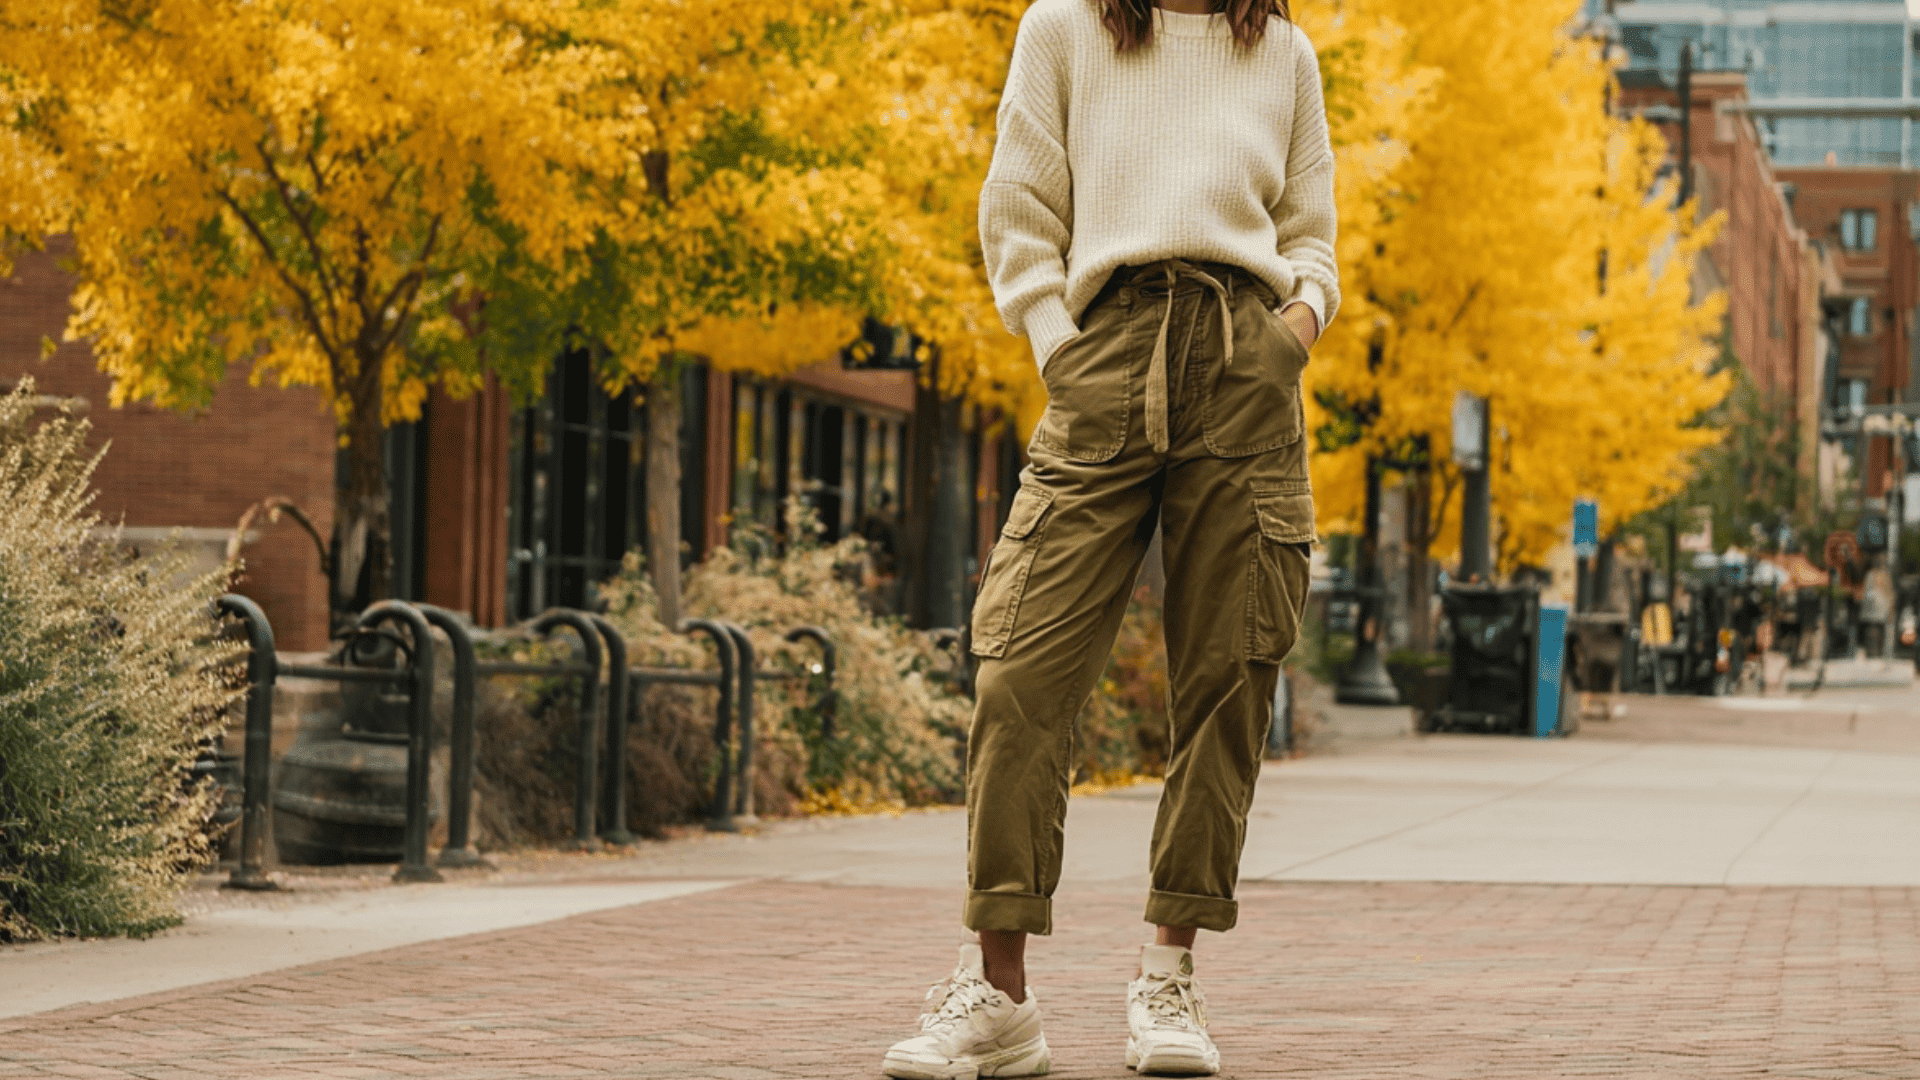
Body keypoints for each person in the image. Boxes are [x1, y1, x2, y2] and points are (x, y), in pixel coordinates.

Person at [881, 0, 1336, 1073]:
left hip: (1245, 363)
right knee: (1020, 670)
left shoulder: (1282, 53)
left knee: (1228, 681)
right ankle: (996, 994)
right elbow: (1019, 206)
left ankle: (1169, 981)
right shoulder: (1065, 29)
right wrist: (1057, 344)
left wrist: (1293, 332)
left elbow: (1313, 234)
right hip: (1104, 353)